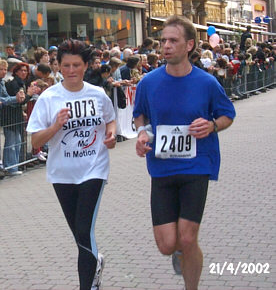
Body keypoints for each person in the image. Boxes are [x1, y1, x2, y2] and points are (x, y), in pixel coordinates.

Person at [133, 15, 236, 290]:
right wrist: (142, 133)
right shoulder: (148, 82)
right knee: (168, 245)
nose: (165, 46)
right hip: (162, 168)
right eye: (163, 40)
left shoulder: (207, 83)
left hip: (196, 166)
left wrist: (212, 125)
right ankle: (179, 252)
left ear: (189, 45)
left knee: (188, 238)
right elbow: (139, 114)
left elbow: (228, 115)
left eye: (173, 41)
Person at [26, 39, 116, 290]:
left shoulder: (97, 94)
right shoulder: (49, 97)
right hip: (62, 173)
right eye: (65, 65)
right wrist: (55, 126)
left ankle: (88, 286)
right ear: (58, 66)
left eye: (77, 65)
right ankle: (95, 261)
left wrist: (110, 135)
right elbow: (35, 139)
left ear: (86, 65)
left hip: (94, 169)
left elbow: (110, 120)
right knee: (79, 234)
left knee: (85, 232)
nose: (71, 70)